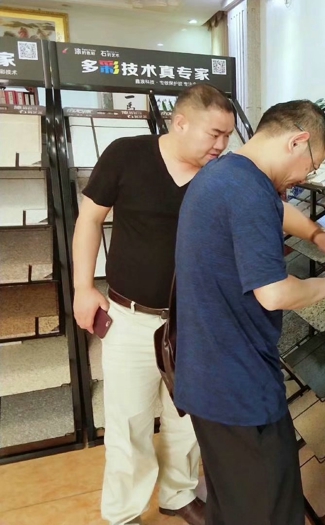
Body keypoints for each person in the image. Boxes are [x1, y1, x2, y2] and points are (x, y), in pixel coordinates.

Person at [174, 100, 325, 525]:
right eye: (312, 166)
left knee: (232, 504)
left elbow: (272, 209)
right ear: (297, 141)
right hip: (239, 387)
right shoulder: (248, 190)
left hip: (208, 378)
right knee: (269, 511)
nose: (305, 178)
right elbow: (274, 293)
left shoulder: (223, 174)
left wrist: (318, 234)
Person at [72, 83, 237, 525]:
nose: (221, 145)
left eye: (227, 135)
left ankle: (178, 494)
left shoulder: (220, 174)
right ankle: (124, 512)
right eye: (214, 134)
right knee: (129, 422)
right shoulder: (127, 154)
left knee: (189, 417)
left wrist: (316, 233)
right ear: (180, 123)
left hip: (196, 321)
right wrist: (83, 287)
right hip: (130, 318)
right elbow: (89, 219)